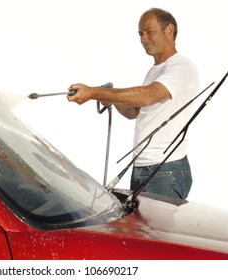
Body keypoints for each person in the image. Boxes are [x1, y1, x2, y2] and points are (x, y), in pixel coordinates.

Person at [67, 8, 199, 199]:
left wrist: (93, 91)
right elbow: (133, 111)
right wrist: (105, 95)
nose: (144, 39)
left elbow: (147, 95)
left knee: (156, 230)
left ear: (169, 30)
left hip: (165, 170)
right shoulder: (155, 71)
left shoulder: (181, 67)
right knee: (141, 229)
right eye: (140, 34)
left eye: (149, 32)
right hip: (142, 167)